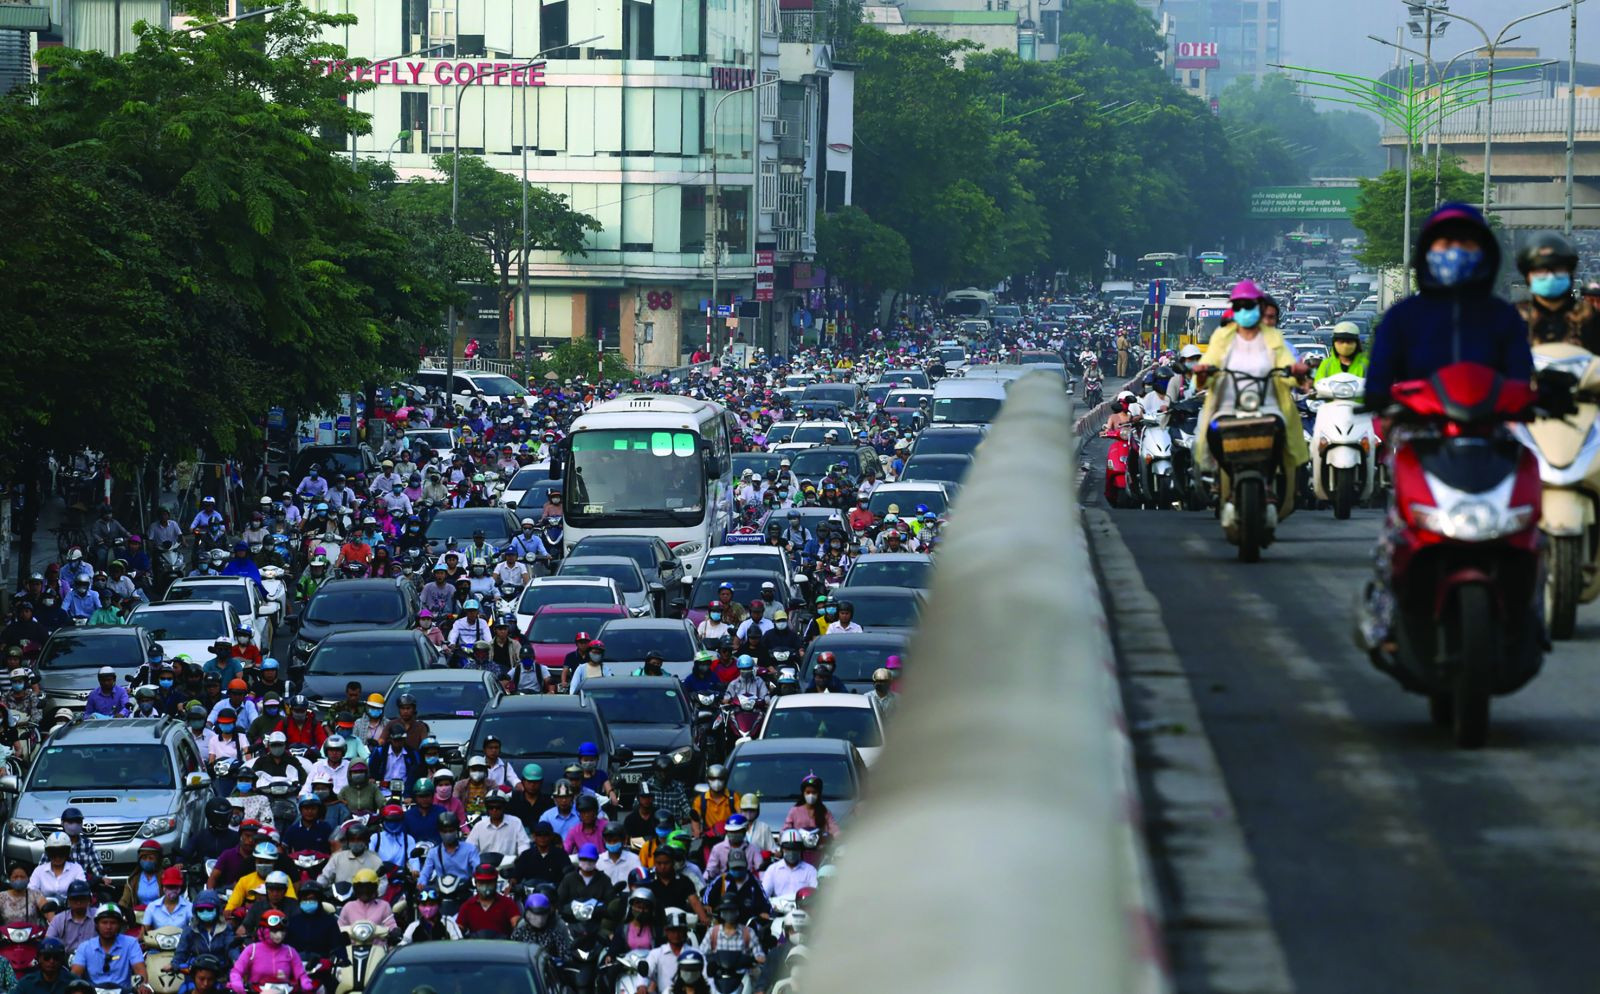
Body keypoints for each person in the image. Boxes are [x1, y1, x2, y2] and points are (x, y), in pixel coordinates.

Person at [1365, 203, 1534, 410]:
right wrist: (1378, 398)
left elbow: (1520, 374)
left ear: (1485, 252)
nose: (1456, 252)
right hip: (1420, 429)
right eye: (1445, 244)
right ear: (1427, 251)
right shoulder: (1402, 316)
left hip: (1492, 431)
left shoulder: (1503, 315)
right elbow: (1380, 374)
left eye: (1466, 243)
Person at [1191, 277, 1311, 523]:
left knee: (1280, 431)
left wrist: (1296, 372)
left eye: (1250, 305)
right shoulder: (1222, 337)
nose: (1245, 311)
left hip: (1267, 404)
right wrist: (1202, 373)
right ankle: (1225, 474)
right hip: (1227, 405)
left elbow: (1285, 363)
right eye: (1240, 306)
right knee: (1213, 432)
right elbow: (1209, 363)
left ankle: (1267, 480)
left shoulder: (1272, 338)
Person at [1516, 231, 1600, 351]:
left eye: (1557, 269)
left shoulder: (1589, 317)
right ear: (1527, 276)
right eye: (1540, 270)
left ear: (1570, 272)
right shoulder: (1515, 317)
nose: (1550, 276)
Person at [228, 909, 313, 993]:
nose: (279, 934)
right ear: (263, 930)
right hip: (257, 990)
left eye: (281, 930)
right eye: (274, 930)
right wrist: (236, 982)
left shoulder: (290, 951)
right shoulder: (252, 950)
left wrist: (305, 982)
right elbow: (237, 971)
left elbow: (301, 973)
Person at [68, 905, 147, 992]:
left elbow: (140, 970)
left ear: (119, 925)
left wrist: (142, 986)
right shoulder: (85, 947)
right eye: (104, 922)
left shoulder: (131, 943)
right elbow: (75, 975)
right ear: (97, 925)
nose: (108, 927)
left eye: (113, 923)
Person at [418, 811, 479, 888]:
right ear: (439, 832)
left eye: (451, 831)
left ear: (456, 830)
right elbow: (425, 873)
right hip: (443, 891)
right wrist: (421, 883)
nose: (448, 834)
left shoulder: (470, 849)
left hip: (464, 890)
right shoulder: (433, 853)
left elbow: (477, 868)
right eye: (444, 831)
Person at [455, 865, 518, 939]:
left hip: (502, 948)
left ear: (495, 882)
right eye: (482, 882)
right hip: (475, 948)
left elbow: (517, 925)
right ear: (476, 883)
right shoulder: (467, 906)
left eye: (489, 882)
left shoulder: (508, 904)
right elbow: (457, 931)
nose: (485, 885)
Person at [466, 787, 528, 860]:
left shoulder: (516, 822)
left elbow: (523, 845)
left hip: (509, 867)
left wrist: (522, 858)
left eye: (498, 807)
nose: (494, 810)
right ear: (487, 808)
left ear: (504, 807)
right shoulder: (479, 826)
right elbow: (470, 848)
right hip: (485, 867)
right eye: (491, 807)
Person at [508, 894, 573, 961]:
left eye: (542, 915)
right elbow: (510, 956)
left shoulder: (554, 934)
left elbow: (566, 958)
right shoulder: (519, 933)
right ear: (527, 914)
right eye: (535, 915)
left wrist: (553, 961)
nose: (539, 920)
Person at [318, 822, 381, 887]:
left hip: (365, 895)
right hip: (340, 896)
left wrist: (373, 893)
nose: (356, 842)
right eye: (352, 840)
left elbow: (382, 881)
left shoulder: (375, 859)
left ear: (367, 841)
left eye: (359, 839)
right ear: (348, 841)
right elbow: (325, 876)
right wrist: (319, 886)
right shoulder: (337, 857)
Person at [30, 835, 85, 909]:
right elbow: (31, 891)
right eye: (53, 854)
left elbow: (82, 889)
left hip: (70, 910)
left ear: (67, 853)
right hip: (43, 910)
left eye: (61, 853)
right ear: (48, 854)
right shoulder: (39, 870)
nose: (57, 857)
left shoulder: (76, 868)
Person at [760, 831, 818, 900]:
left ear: (800, 850)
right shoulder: (772, 870)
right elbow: (764, 895)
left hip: (802, 908)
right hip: (777, 909)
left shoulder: (810, 871)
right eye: (788, 849)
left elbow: (816, 895)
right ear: (782, 849)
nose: (791, 852)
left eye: (795, 849)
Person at [43, 882, 94, 955]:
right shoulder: (59, 919)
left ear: (89, 899)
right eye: (75, 899)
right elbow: (47, 942)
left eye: (82, 898)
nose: (78, 902)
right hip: (66, 960)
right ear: (69, 901)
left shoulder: (98, 915)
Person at [399, 888, 463, 945]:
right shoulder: (413, 926)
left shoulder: (448, 923)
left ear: (439, 905)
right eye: (423, 905)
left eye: (431, 904)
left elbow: (459, 944)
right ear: (418, 906)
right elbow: (402, 946)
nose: (427, 908)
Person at [58, 811, 104, 888]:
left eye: (78, 821)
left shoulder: (87, 843)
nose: (74, 825)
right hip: (60, 884)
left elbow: (96, 865)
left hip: (83, 884)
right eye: (70, 821)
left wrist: (101, 878)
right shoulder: (56, 843)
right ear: (62, 823)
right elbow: (43, 867)